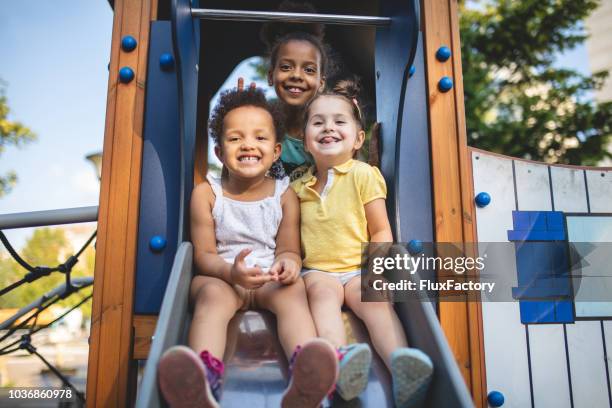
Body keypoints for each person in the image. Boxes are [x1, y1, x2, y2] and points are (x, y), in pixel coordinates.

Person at [157, 88, 338, 408]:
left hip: (269, 275)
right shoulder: (207, 193)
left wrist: (289, 264)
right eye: (236, 138)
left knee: (294, 292)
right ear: (218, 151)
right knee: (210, 296)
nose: (248, 145)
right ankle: (202, 380)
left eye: (260, 137)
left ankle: (306, 376)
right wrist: (231, 272)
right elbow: (204, 256)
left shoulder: (285, 194)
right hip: (223, 276)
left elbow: (288, 249)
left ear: (276, 150)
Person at [292, 79, 434, 407]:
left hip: (359, 269)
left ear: (358, 138)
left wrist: (375, 268)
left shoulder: (363, 175)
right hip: (318, 271)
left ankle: (403, 368)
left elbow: (381, 230)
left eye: (339, 121)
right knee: (322, 298)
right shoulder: (298, 186)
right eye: (318, 122)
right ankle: (340, 362)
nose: (328, 127)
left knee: (377, 305)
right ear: (305, 142)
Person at [239, 1, 336, 182]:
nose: (297, 75)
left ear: (321, 82)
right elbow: (236, 178)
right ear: (270, 76)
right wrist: (239, 123)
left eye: (309, 70)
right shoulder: (261, 128)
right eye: (286, 67)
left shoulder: (330, 131)